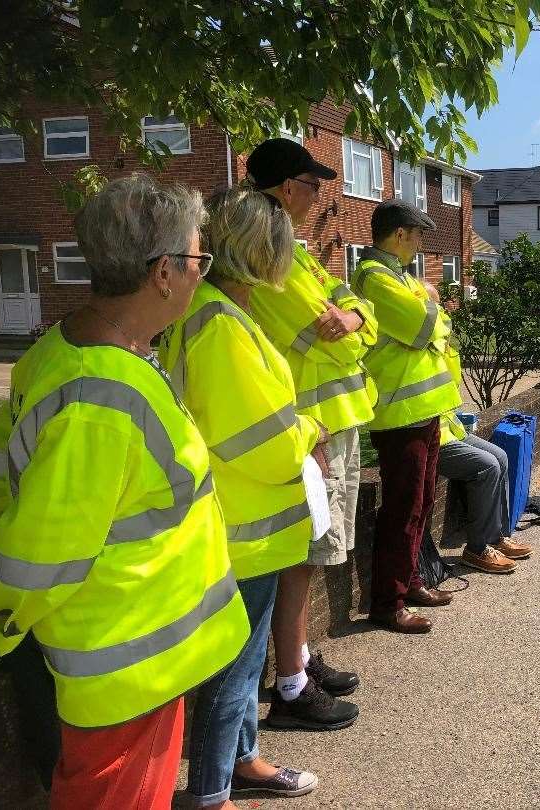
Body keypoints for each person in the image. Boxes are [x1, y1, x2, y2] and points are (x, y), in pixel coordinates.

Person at [0, 175, 250, 809]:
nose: (200, 274)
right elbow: (40, 550)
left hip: (138, 661)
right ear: (163, 272)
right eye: (197, 258)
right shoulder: (100, 400)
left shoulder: (90, 351)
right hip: (122, 670)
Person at [160, 186, 356, 806]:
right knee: (233, 673)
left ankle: (243, 762)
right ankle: (212, 788)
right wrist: (309, 430)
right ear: (261, 252)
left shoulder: (224, 311)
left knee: (242, 669)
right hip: (244, 527)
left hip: (254, 524)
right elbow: (262, 441)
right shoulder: (219, 323)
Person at [244, 139, 372, 725]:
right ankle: (290, 683)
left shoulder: (292, 249)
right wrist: (351, 319)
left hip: (322, 419)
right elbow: (328, 325)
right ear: (286, 187)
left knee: (312, 551)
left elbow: (349, 310)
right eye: (314, 184)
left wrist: (353, 315)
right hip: (307, 424)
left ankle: (296, 656)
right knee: (304, 552)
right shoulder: (270, 252)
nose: (321, 195)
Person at [352, 200, 462, 633]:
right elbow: (422, 326)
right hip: (399, 413)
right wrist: (430, 300)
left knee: (420, 503)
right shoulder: (375, 278)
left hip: (421, 410)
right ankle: (389, 602)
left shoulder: (400, 278)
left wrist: (428, 303)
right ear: (399, 235)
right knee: (402, 508)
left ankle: (411, 580)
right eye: (417, 235)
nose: (420, 244)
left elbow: (435, 322)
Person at [420, 282, 532, 574]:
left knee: (502, 457)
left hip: (449, 428)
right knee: (487, 467)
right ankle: (477, 548)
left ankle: (496, 537)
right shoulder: (416, 343)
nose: (440, 314)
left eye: (440, 307)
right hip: (429, 435)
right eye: (433, 307)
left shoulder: (440, 341)